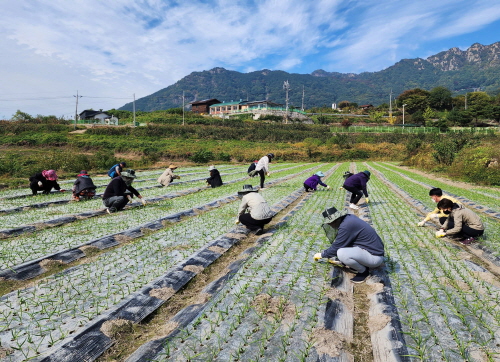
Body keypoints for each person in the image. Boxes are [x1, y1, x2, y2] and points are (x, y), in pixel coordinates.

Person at [314, 206, 385, 283]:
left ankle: (363, 271)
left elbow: (337, 246)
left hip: (375, 257)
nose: (331, 225)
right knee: (343, 250)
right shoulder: (348, 219)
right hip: (369, 251)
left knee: (341, 253)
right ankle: (358, 264)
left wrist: (322, 255)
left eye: (331, 222)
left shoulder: (346, 226)